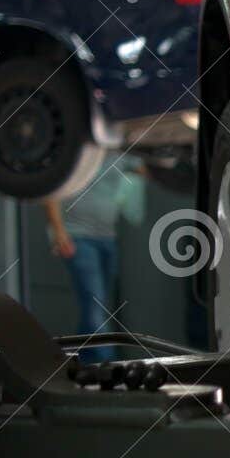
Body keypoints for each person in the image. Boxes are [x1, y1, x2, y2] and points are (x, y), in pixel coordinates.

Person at [42, 155, 142, 363]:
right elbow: (51, 190)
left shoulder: (121, 151)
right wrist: (58, 231)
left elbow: (151, 170)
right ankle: (108, 365)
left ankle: (83, 363)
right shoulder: (77, 150)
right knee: (95, 303)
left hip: (107, 237)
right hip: (77, 236)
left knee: (97, 307)